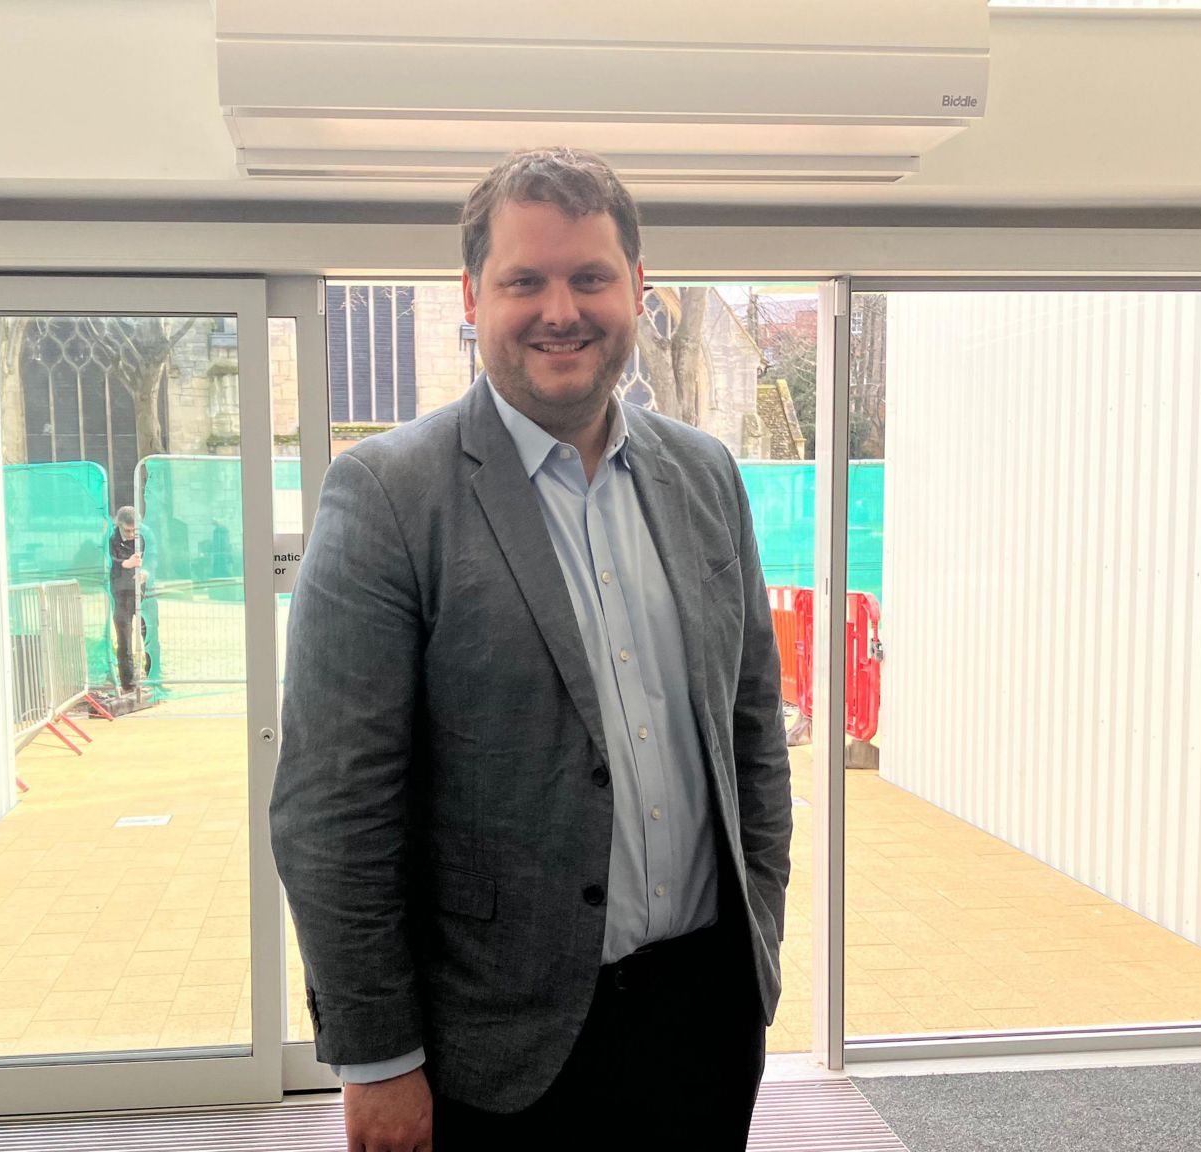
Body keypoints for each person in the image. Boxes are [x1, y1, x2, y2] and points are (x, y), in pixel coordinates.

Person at [271, 147, 792, 1151]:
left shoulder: (706, 477)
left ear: (638, 288)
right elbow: (332, 805)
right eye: (524, 281)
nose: (562, 308)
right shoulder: (388, 495)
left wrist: (753, 943)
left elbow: (750, 729)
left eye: (590, 277)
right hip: (492, 1058)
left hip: (701, 1024)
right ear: (472, 298)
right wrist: (378, 1060)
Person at [108, 504, 145, 694]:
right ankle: (128, 683)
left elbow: (148, 561)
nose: (131, 535)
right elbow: (108, 562)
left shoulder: (141, 539)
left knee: (146, 633)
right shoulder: (110, 540)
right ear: (119, 525)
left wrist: (144, 574)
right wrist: (125, 563)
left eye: (134, 530)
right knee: (125, 639)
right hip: (119, 596)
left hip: (138, 594)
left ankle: (148, 677)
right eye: (127, 530)